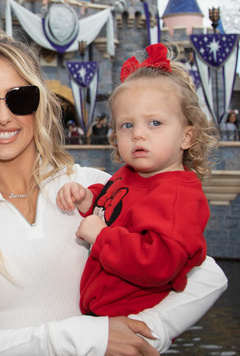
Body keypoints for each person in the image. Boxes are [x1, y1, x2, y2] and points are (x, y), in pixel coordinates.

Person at [0, 34, 228, 355]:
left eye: (19, 98)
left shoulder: (91, 188)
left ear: (39, 105)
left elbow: (207, 275)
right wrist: (85, 338)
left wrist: (142, 333)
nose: (2, 117)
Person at [55, 43, 219, 319]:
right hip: (100, 316)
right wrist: (88, 198)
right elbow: (115, 207)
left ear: (187, 136)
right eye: (127, 125)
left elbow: (160, 263)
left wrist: (102, 237)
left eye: (154, 123)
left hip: (129, 321)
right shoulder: (131, 174)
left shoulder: (179, 195)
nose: (138, 134)